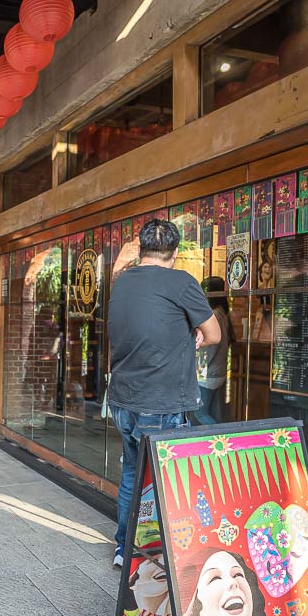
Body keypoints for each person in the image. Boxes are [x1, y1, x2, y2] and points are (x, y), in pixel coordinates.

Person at [106, 219, 220, 568]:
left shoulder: (122, 283)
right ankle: (167, 554)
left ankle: (125, 549)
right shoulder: (182, 282)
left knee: (130, 473)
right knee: (166, 480)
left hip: (123, 398)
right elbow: (213, 333)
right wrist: (194, 335)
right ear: (175, 252)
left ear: (141, 249)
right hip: (161, 401)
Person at [195, 276, 233, 425]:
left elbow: (210, 349)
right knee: (213, 412)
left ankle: (221, 439)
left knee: (200, 413)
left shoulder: (214, 316)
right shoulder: (223, 313)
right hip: (219, 372)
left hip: (208, 375)